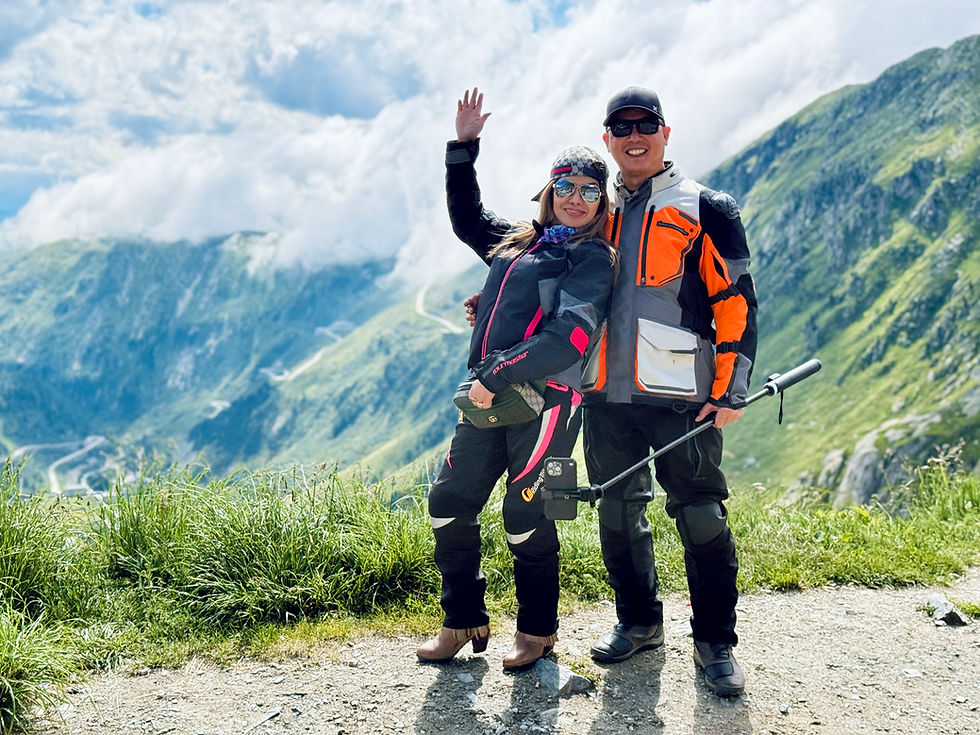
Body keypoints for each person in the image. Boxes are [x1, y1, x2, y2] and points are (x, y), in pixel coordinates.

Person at [416, 88, 617, 672]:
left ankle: (537, 631)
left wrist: (493, 372)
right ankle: (462, 619)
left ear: (600, 201)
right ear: (549, 190)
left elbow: (569, 339)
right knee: (448, 501)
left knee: (526, 514)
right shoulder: (520, 241)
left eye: (589, 191)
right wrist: (463, 146)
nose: (576, 199)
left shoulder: (592, 259)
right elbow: (466, 219)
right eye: (565, 186)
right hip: (489, 399)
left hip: (548, 404)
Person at [582, 86, 758, 698]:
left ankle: (715, 644)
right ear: (607, 138)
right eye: (622, 126)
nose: (635, 135)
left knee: (702, 515)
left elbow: (736, 304)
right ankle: (638, 623)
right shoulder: (591, 208)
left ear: (665, 131)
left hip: (683, 397)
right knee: (618, 511)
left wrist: (730, 389)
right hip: (604, 395)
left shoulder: (706, 206)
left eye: (646, 124)